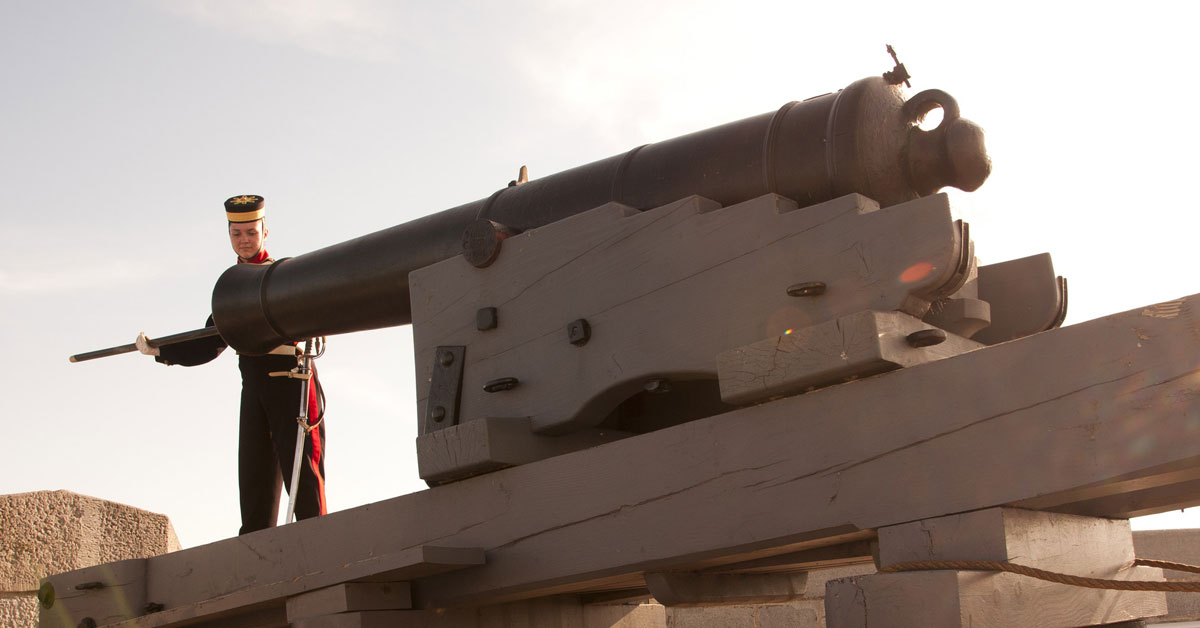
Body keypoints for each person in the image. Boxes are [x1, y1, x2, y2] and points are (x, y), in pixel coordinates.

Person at [135, 194, 327, 535]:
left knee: (304, 480)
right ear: (229, 237)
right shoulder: (232, 289)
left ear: (265, 231)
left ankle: (319, 544)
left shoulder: (284, 274)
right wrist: (160, 350)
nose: (245, 240)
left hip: (290, 382)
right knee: (254, 483)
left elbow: (318, 312)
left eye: (251, 232)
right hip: (253, 388)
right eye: (237, 234)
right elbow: (210, 341)